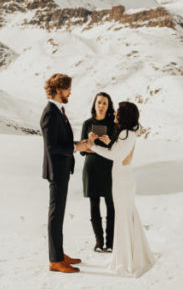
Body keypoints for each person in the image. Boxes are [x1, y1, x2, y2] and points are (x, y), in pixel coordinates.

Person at [89, 101, 156, 277]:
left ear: (124, 115)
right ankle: (131, 256)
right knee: (127, 216)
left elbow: (115, 155)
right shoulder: (129, 133)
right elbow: (120, 151)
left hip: (122, 180)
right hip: (124, 178)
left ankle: (126, 261)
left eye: (118, 112)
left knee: (123, 218)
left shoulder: (126, 133)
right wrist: (110, 141)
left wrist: (92, 146)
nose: (116, 114)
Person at [40, 73, 93, 274]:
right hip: (56, 170)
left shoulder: (58, 111)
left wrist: (80, 147)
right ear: (59, 89)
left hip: (62, 169)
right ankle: (55, 260)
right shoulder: (50, 113)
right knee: (56, 215)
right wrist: (75, 147)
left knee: (59, 214)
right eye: (68, 88)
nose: (70, 92)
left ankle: (59, 254)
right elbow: (52, 147)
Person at [80, 92, 117, 253]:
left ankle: (110, 243)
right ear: (94, 104)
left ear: (108, 107)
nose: (101, 106)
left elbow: (116, 149)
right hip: (92, 167)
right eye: (99, 102)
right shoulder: (86, 123)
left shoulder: (114, 124)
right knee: (94, 204)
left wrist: (105, 144)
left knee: (111, 205)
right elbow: (82, 150)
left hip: (109, 167)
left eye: (104, 103)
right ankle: (98, 241)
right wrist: (90, 142)